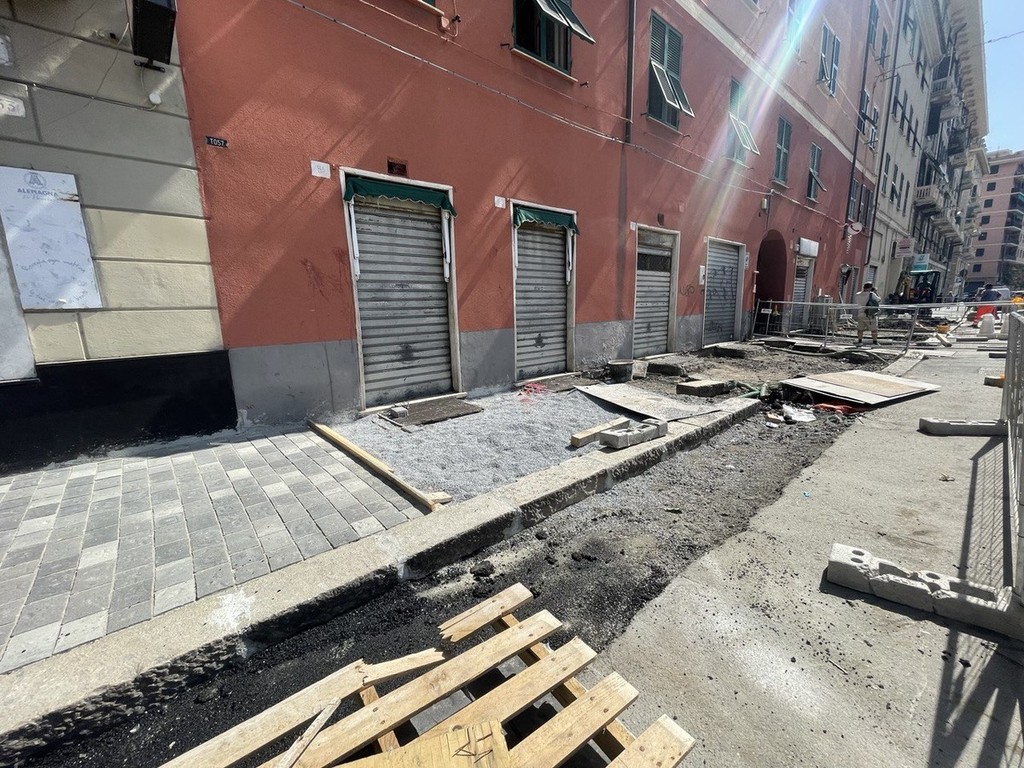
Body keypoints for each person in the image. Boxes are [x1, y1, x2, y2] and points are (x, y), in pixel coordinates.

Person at [853, 281, 882, 346]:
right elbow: (879, 300)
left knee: (860, 329)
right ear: (870, 288)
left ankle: (860, 341)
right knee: (874, 329)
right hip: (870, 314)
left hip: (860, 313)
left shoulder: (857, 294)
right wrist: (876, 292)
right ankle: (875, 342)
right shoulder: (871, 294)